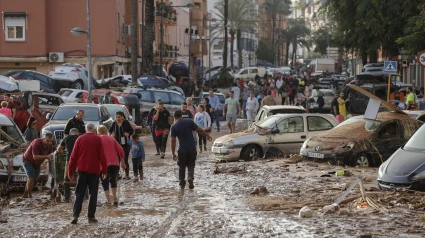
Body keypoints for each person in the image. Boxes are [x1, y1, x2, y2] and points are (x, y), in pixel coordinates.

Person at [68, 123, 107, 224]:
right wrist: (105, 170)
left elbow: (73, 157)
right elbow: (102, 156)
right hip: (94, 171)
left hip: (81, 171)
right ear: (94, 130)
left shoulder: (80, 139)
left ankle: (75, 216)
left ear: (86, 130)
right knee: (93, 194)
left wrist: (70, 171)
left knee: (79, 193)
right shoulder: (98, 139)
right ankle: (91, 216)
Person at [170, 111, 212, 190]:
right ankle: (190, 177)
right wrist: (208, 135)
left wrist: (173, 153)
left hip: (182, 149)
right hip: (192, 148)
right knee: (191, 165)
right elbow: (199, 130)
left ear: (174, 117)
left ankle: (182, 185)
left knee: (181, 167)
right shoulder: (189, 121)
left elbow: (173, 141)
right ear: (181, 115)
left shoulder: (173, 127)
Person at [97, 125, 125, 205]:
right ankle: (115, 198)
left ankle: (108, 200)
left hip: (103, 164)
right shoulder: (112, 139)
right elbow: (121, 150)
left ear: (98, 132)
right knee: (113, 180)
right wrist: (123, 162)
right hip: (115, 163)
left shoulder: (98, 139)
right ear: (106, 132)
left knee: (104, 182)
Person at [57, 128, 80, 203]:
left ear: (70, 133)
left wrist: (62, 151)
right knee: (80, 178)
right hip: (79, 161)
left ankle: (67, 198)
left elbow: (59, 149)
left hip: (69, 160)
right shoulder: (80, 138)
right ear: (77, 133)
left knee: (66, 179)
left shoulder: (66, 138)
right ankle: (81, 197)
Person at [109, 111, 134, 179]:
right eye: (116, 117)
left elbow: (132, 130)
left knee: (125, 159)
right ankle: (117, 174)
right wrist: (112, 135)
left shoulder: (126, 122)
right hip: (116, 144)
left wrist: (128, 134)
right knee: (117, 160)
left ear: (122, 117)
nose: (117, 118)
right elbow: (110, 130)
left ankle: (127, 174)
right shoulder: (114, 124)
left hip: (125, 144)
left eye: (119, 117)